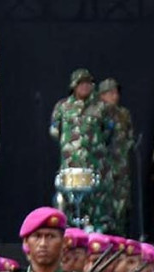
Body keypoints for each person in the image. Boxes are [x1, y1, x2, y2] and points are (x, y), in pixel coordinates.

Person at [50, 68, 110, 228]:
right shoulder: (62, 107)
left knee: (95, 208)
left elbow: (108, 132)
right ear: (73, 86)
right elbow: (55, 131)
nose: (85, 87)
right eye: (81, 83)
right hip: (71, 166)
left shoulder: (101, 107)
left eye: (88, 83)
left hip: (94, 165)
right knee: (68, 207)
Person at [98, 79, 134, 235]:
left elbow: (130, 136)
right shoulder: (98, 113)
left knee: (122, 205)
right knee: (104, 205)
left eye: (116, 92)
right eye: (111, 93)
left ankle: (121, 236)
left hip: (121, 167)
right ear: (102, 95)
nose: (115, 96)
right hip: (103, 167)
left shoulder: (124, 114)